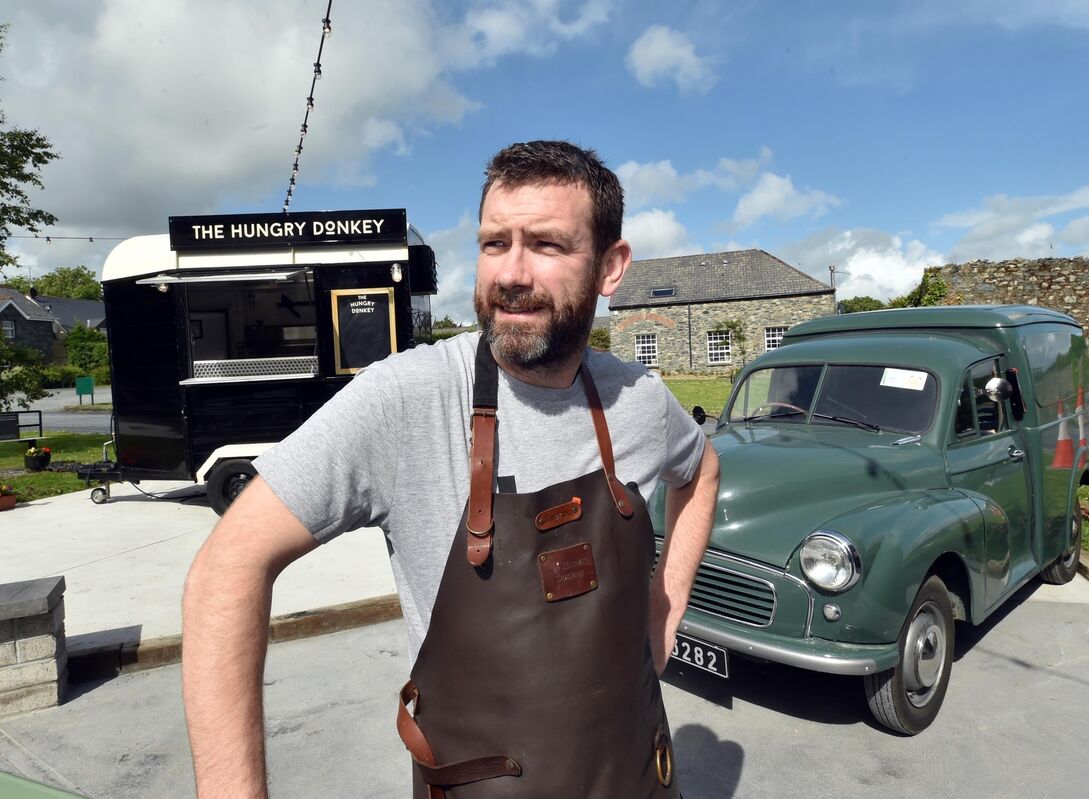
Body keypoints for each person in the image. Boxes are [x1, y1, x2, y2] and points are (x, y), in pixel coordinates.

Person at [182, 140, 719, 798]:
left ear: (611, 266)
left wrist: (664, 610)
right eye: (495, 243)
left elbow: (702, 472)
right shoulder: (409, 398)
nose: (511, 273)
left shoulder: (637, 400)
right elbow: (226, 566)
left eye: (546, 245)